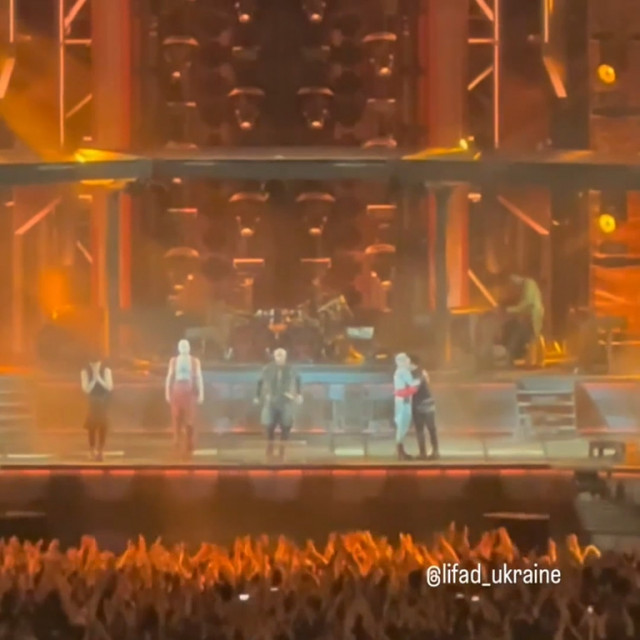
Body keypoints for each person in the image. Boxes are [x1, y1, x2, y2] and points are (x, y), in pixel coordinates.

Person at [254, 348, 303, 461]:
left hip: (285, 400)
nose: (280, 358)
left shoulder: (291, 369)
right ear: (274, 357)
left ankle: (282, 451)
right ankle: (269, 450)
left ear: (285, 357)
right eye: (277, 356)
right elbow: (260, 382)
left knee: (286, 425)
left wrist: (299, 394)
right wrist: (257, 396)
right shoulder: (267, 368)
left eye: (282, 356)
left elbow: (298, 380)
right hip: (271, 400)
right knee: (268, 426)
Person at [165, 339, 204, 457]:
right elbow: (169, 377)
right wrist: (167, 393)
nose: (183, 348)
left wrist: (201, 393)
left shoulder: (194, 361)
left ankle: (189, 441)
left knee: (190, 418)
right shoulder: (173, 361)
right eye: (181, 346)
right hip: (177, 390)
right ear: (178, 348)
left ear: (189, 348)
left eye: (185, 346)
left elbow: (199, 377)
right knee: (176, 417)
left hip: (189, 389)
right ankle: (176, 440)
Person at [504, 274, 544, 364]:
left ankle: (533, 361)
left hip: (533, 314)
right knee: (534, 337)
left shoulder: (528, 284)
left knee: (532, 338)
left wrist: (510, 310)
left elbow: (526, 303)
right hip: (532, 314)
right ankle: (535, 361)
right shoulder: (527, 285)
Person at [80, 354, 113, 461]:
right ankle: (92, 450)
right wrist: (94, 379)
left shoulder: (106, 370)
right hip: (92, 402)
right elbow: (86, 389)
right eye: (93, 364)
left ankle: (101, 450)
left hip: (103, 401)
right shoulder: (85, 371)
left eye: (97, 364)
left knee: (103, 425)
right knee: (92, 426)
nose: (95, 366)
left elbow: (109, 387)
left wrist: (99, 378)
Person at [408, 355, 439, 460]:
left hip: (423, 404)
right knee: (428, 429)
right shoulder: (421, 372)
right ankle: (432, 452)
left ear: (412, 363)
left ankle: (426, 453)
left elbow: (414, 389)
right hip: (425, 403)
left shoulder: (418, 373)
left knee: (424, 429)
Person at [393, 353, 419, 460]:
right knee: (403, 425)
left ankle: (400, 450)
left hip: (401, 400)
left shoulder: (399, 371)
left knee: (401, 425)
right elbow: (412, 383)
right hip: (404, 401)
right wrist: (420, 379)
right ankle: (400, 451)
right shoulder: (403, 371)